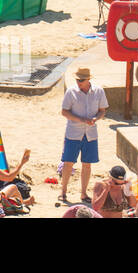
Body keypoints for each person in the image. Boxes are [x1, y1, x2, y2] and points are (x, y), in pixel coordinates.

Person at [60, 66, 108, 204]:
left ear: (88, 80)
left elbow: (102, 110)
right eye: (77, 79)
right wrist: (81, 120)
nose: (79, 82)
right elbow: (64, 111)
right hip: (73, 133)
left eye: (81, 80)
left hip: (91, 134)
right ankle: (63, 192)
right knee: (68, 163)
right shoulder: (71, 92)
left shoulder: (98, 91)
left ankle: (83, 193)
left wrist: (95, 119)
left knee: (87, 164)